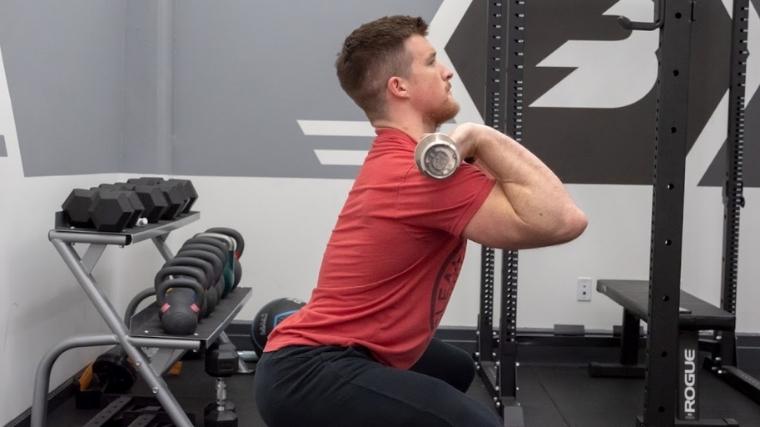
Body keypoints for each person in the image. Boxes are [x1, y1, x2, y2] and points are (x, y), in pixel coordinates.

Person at [253, 15, 587, 427]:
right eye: (431, 62)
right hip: (310, 372)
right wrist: (479, 135)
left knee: (455, 370)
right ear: (400, 87)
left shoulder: (403, 158)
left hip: (316, 360)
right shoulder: (418, 174)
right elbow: (562, 220)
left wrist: (467, 144)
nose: (446, 71)